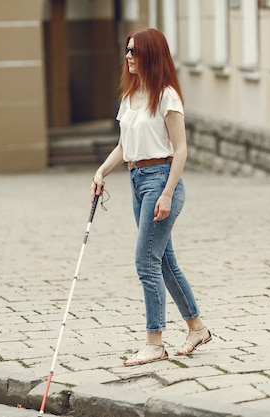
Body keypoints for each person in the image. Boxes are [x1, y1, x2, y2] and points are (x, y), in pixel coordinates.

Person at [90, 28, 212, 366]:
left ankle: (154, 342)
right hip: (136, 179)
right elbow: (124, 146)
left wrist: (168, 193)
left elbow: (181, 149)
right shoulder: (130, 97)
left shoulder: (167, 96)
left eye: (135, 51)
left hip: (161, 180)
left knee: (146, 261)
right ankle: (197, 328)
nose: (128, 56)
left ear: (151, 55)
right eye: (126, 50)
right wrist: (101, 172)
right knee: (164, 261)